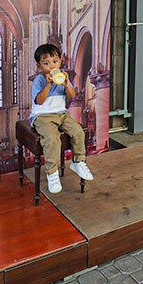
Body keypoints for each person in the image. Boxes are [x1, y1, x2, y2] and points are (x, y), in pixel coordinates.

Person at [29, 43, 93, 193]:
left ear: (60, 62)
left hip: (61, 114)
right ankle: (52, 172)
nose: (52, 66)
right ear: (39, 66)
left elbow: (73, 96)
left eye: (55, 61)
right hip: (42, 116)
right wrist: (48, 85)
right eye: (46, 63)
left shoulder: (63, 77)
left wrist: (66, 85)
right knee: (52, 139)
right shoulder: (39, 80)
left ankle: (78, 161)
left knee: (78, 132)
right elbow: (39, 101)